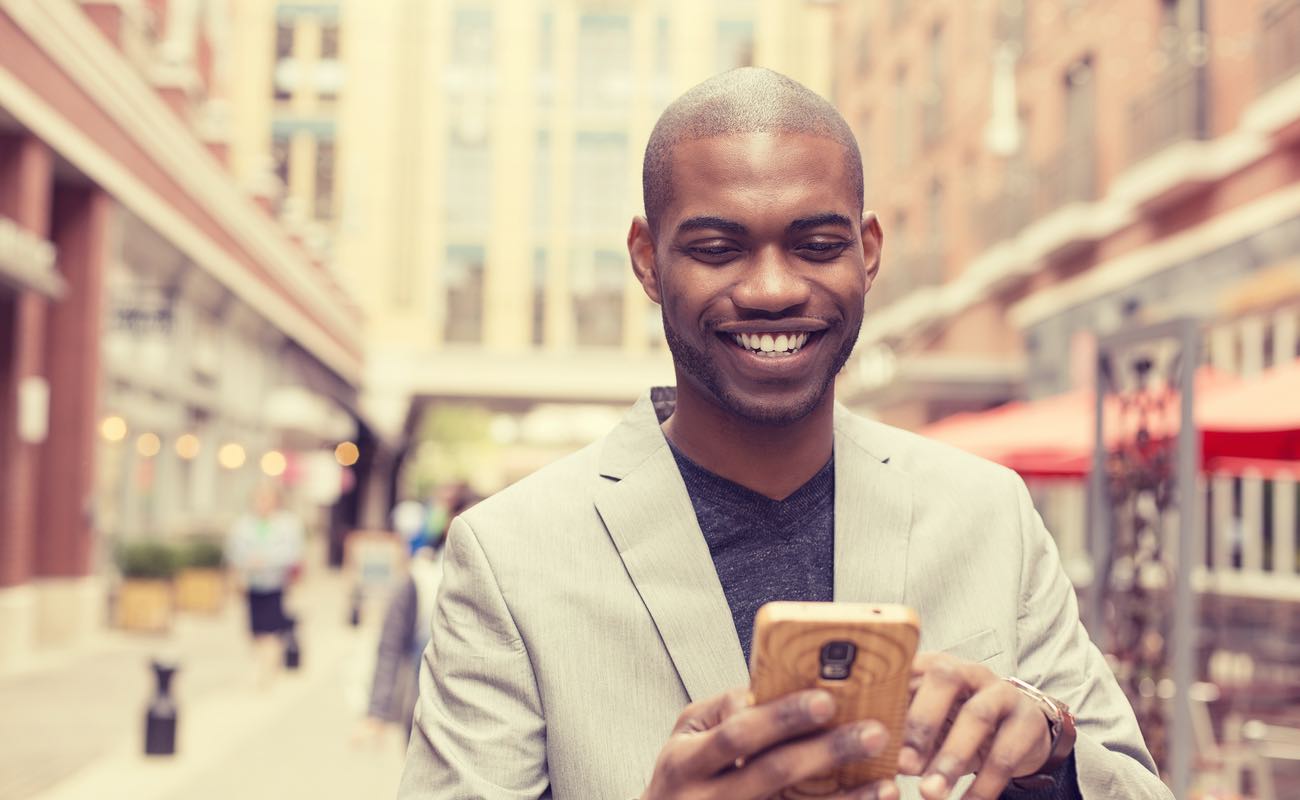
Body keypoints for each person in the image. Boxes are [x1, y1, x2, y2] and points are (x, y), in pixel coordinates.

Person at [399, 69, 1172, 800]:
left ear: (867, 252)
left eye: (816, 246)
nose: (772, 289)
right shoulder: (508, 557)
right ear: (647, 260)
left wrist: (1052, 751)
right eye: (717, 249)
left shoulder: (990, 512)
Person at [360, 486, 479, 744]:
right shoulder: (422, 574)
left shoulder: (508, 584)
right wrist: (377, 711)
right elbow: (390, 643)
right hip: (422, 708)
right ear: (450, 525)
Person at [226, 482, 304, 686]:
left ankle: (267, 672)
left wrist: (266, 560)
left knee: (271, 630)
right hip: (252, 585)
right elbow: (234, 553)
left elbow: (293, 553)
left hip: (275, 583)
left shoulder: (287, 524)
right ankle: (262, 664)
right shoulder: (244, 525)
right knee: (254, 631)